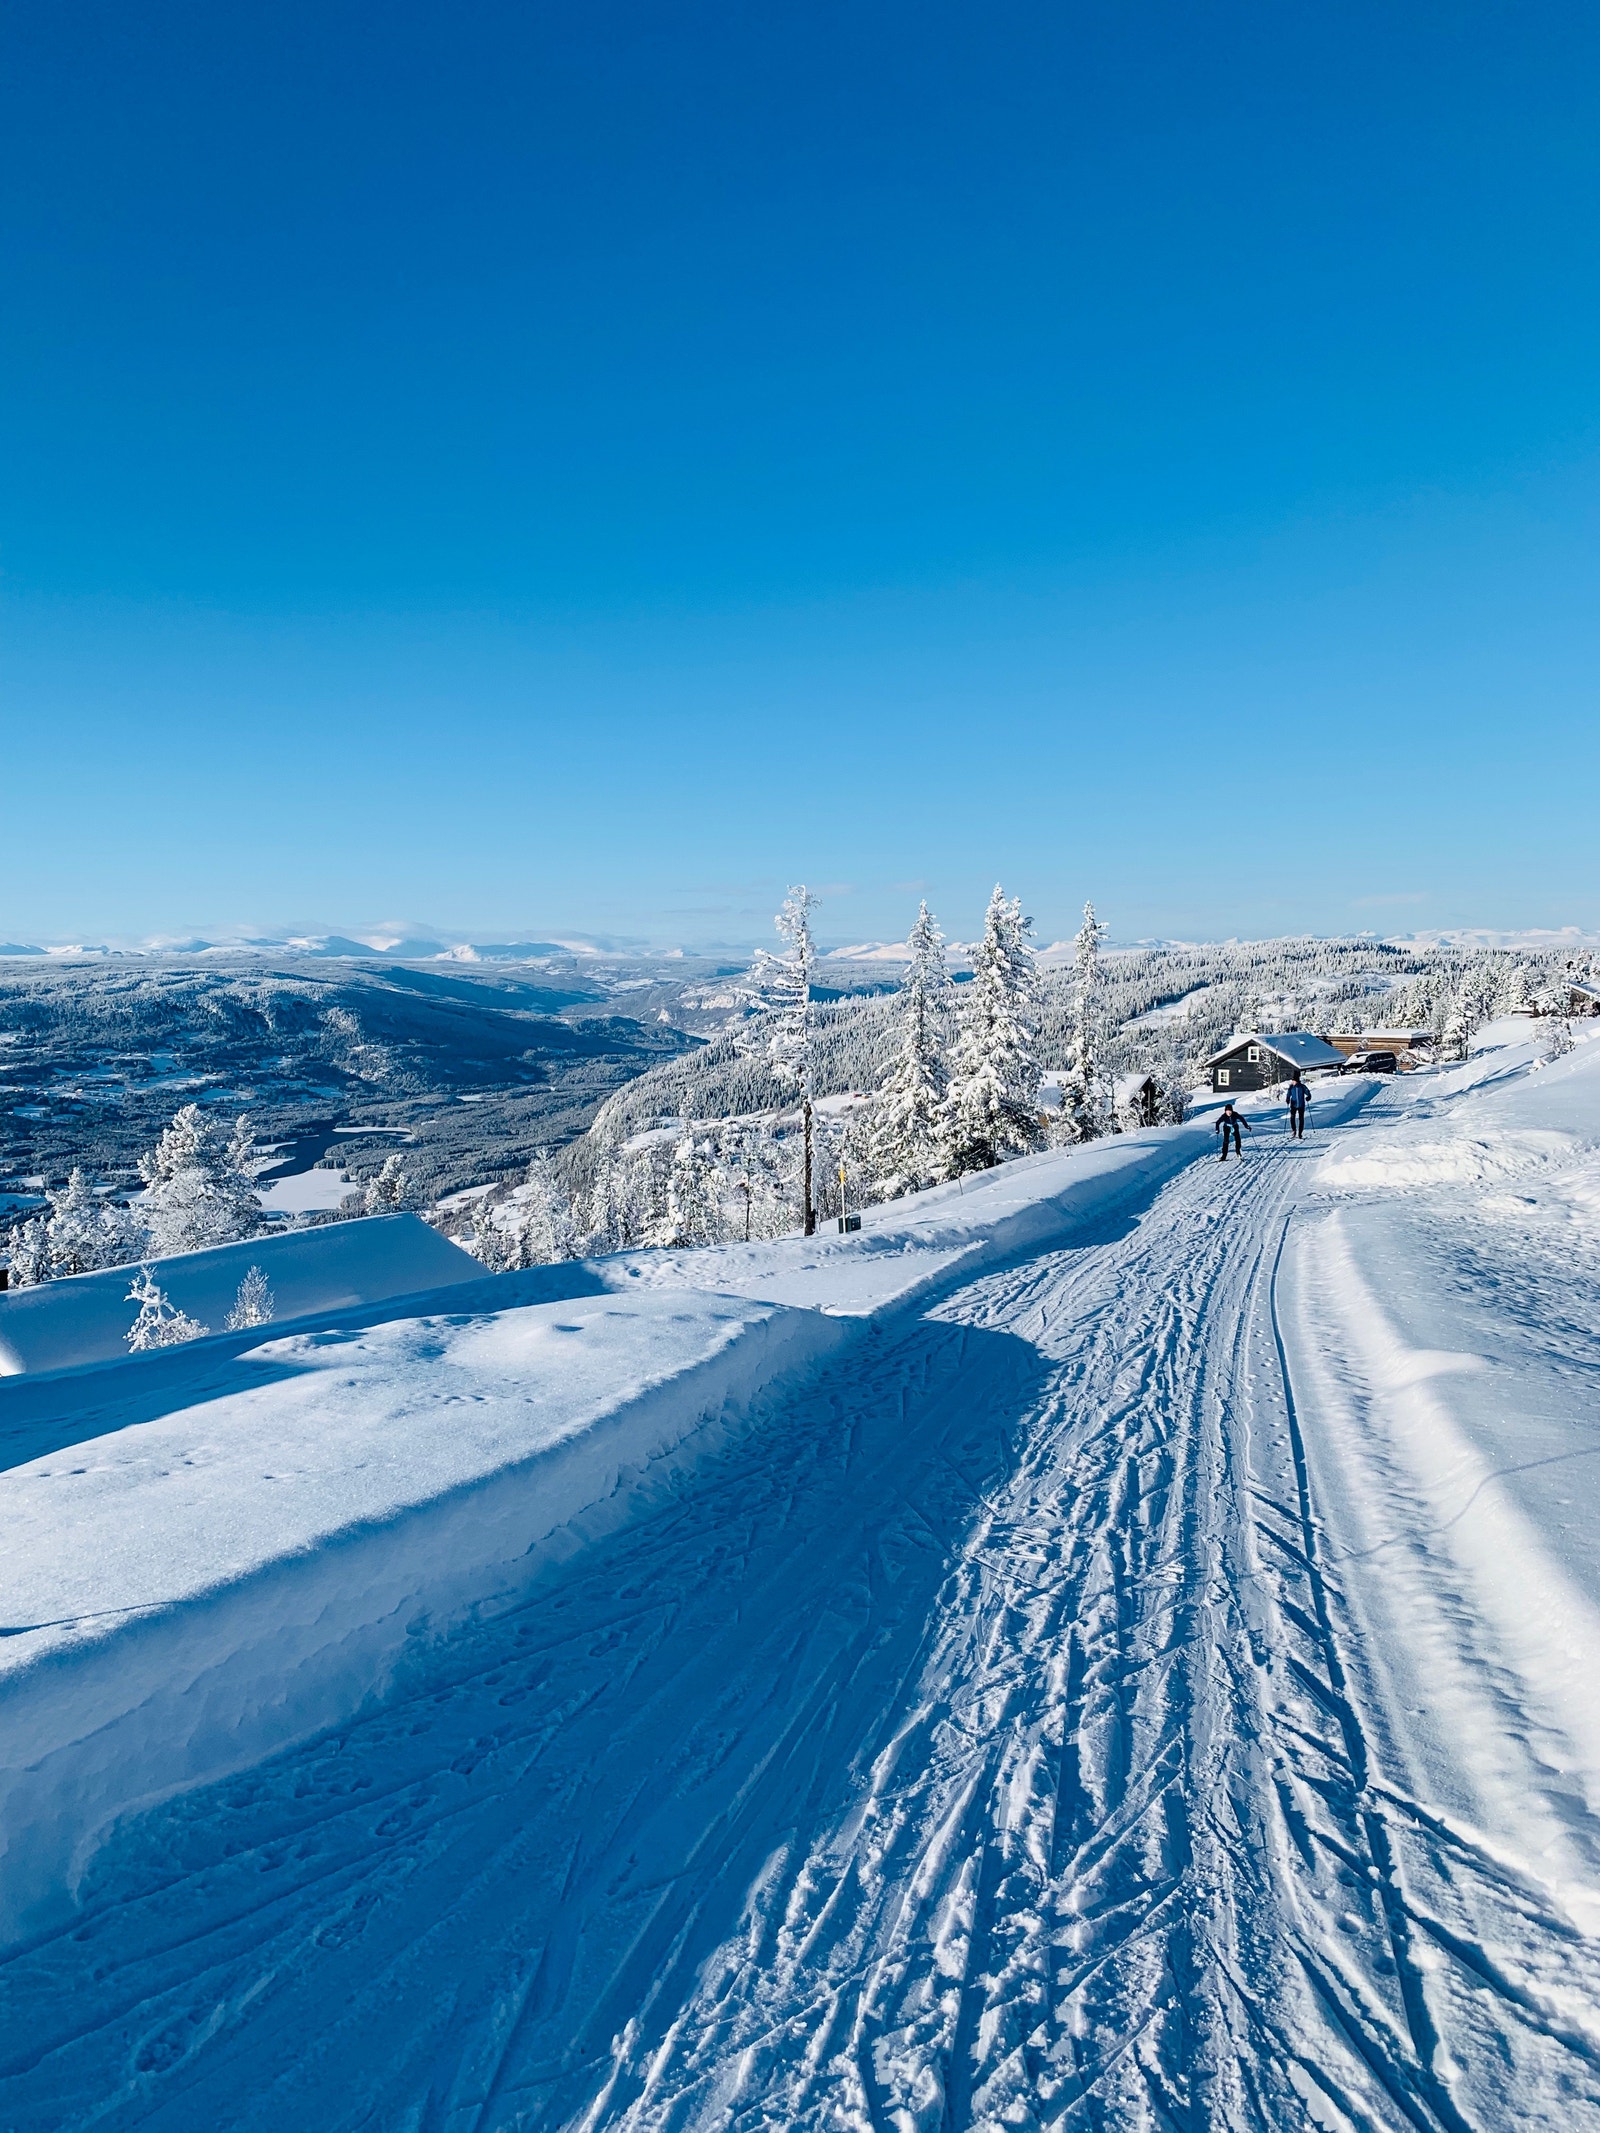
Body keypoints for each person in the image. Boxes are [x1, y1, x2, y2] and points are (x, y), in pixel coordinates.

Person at [1284, 1071, 1310, 1139]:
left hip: (1301, 1105)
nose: (1292, 1082)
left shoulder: (1302, 1087)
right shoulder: (1291, 1087)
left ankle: (1300, 1133)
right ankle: (1294, 1130)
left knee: (1301, 1119)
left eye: (1293, 1080)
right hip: (1293, 1104)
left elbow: (1307, 1092)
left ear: (1296, 1081)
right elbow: (1288, 1094)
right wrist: (1287, 1099)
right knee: (1292, 1118)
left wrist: (1308, 1097)